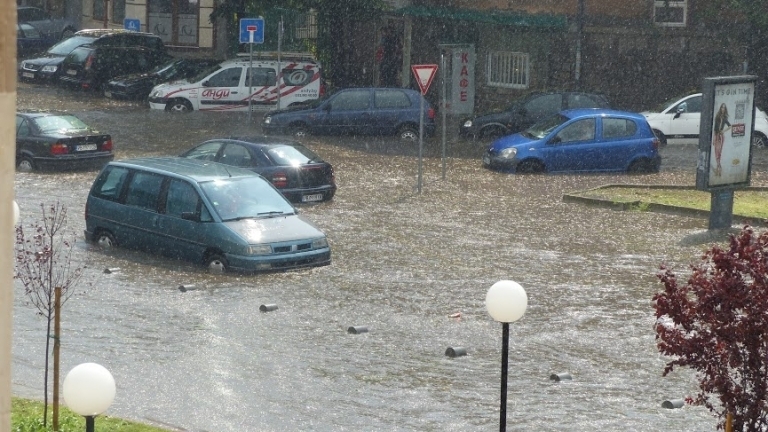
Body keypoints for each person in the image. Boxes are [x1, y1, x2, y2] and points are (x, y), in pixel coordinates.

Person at [712, 103, 730, 177]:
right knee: (716, 151)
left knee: (719, 152)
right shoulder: (717, 117)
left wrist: (724, 131)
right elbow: (715, 128)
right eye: (722, 107)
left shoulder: (725, 118)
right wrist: (714, 138)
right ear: (720, 108)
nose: (723, 109)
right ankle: (719, 166)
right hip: (717, 135)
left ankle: (718, 168)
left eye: (724, 108)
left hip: (721, 136)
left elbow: (730, 126)